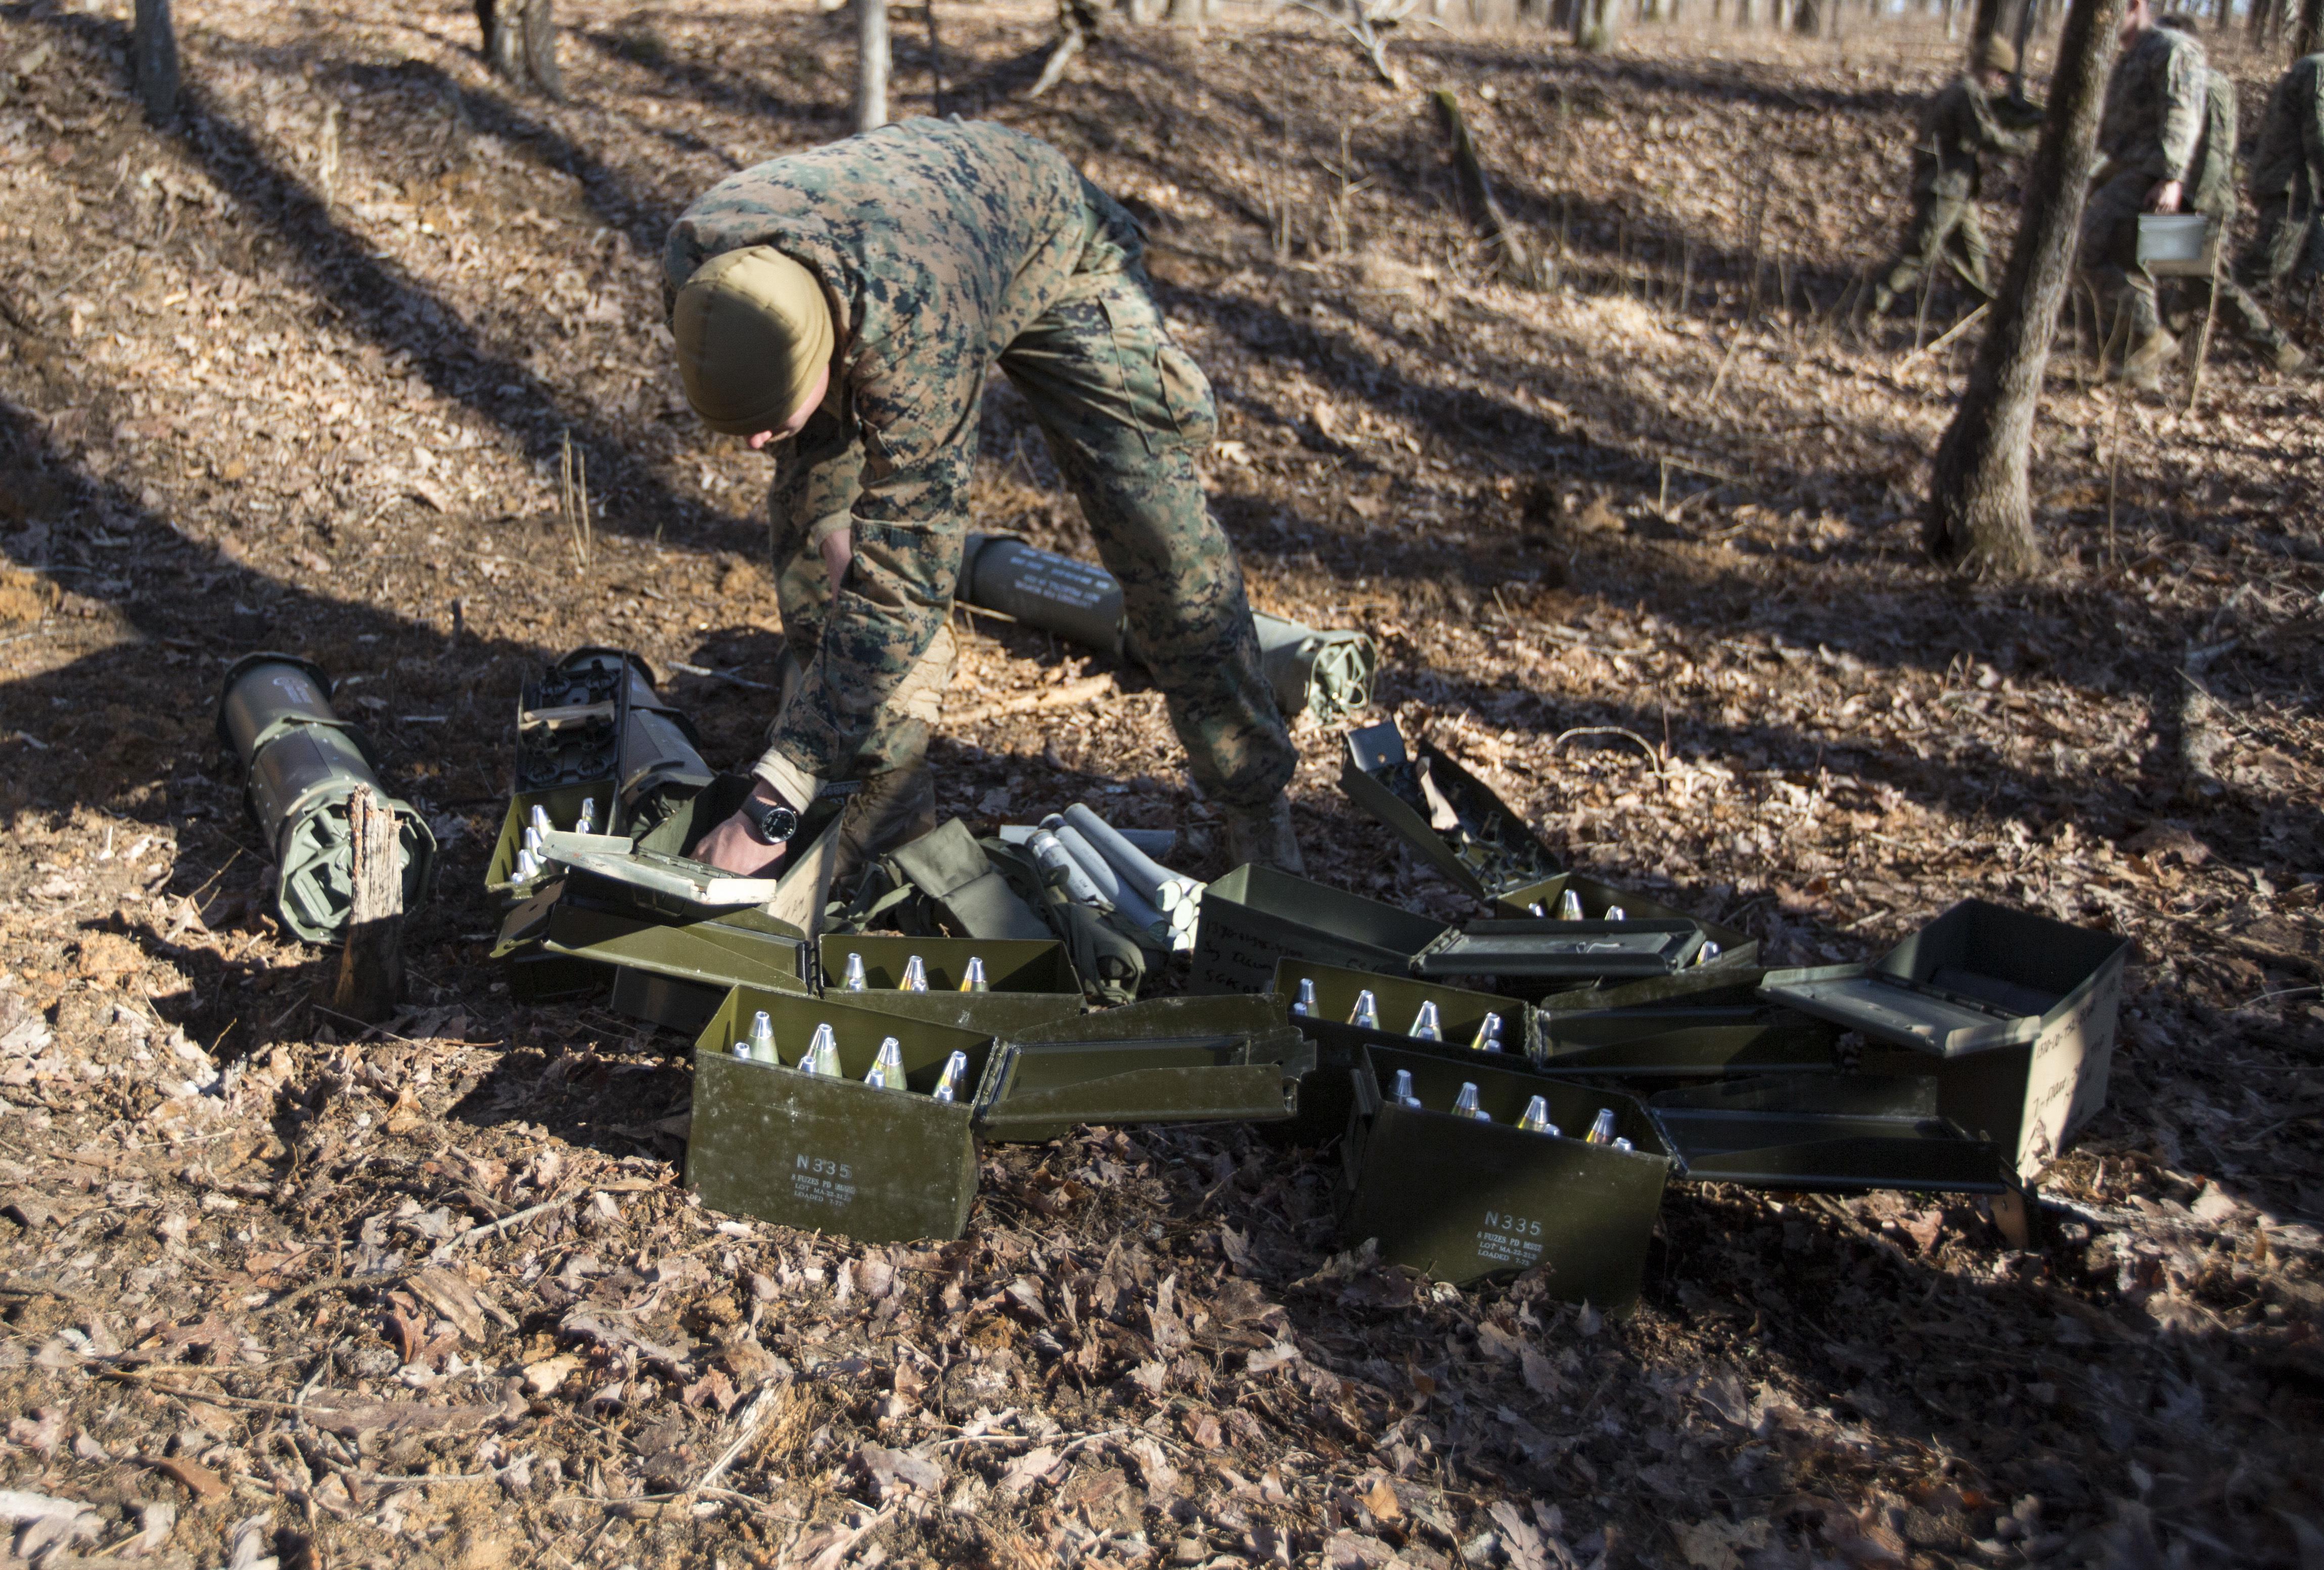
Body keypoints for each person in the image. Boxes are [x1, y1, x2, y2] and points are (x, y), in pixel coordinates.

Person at [659, 118, 1303, 884]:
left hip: (1052, 249)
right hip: (880, 266)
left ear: (824, 356)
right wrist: (829, 524)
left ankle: (1254, 801)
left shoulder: (916, 335)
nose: (754, 444)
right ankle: (885, 796)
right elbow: (818, 491)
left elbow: (906, 583)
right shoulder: (701, 266)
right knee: (815, 541)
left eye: (769, 422)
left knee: (1160, 534)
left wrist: (773, 801)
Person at [2080, 0, 2206, 389]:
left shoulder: (2171, 48)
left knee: (2091, 248)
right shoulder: (2126, 58)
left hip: (2148, 174)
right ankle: (2134, 371)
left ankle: (2152, 341)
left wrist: (2170, 177)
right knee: (2124, 265)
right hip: (2119, 171)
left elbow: (2182, 112)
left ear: (2134, 6)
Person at [1872, 36, 2038, 316]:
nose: (2001, 81)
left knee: (1973, 251)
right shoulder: (1965, 93)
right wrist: (2030, 143)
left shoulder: (1960, 90)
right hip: (1945, 189)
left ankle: (1984, 313)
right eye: (2001, 73)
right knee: (1919, 253)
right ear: (1988, 67)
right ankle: (1869, 306)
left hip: (1956, 190)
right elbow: (1985, 136)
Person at [2168, 43, 2308, 374]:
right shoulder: (2173, 82)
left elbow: (2213, 153)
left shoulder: (2206, 84)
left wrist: (2192, 203)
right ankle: (2149, 351)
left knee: (2202, 279)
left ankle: (2281, 353)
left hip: (2197, 199)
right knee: (2176, 275)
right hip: (2175, 195)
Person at [2240, 51, 2324, 301]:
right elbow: (2318, 134)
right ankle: (2199, 300)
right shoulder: (2318, 70)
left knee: (2310, 276)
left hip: (2307, 192)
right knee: (2264, 269)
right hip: (2290, 188)